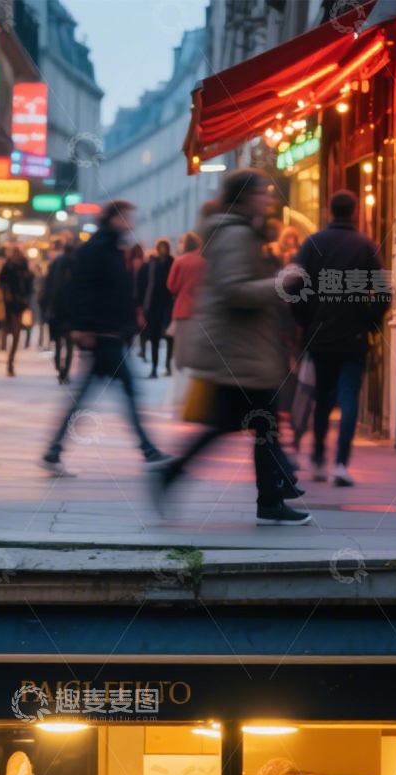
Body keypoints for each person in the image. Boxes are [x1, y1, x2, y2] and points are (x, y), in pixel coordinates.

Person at [150, 170, 311, 527]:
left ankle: (268, 501)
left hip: (242, 351)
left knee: (248, 425)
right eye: (262, 192)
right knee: (248, 425)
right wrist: (281, 282)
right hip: (238, 353)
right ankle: (265, 502)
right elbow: (234, 290)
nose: (268, 199)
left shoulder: (235, 232)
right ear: (245, 197)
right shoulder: (235, 234)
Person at [40, 200, 163, 477]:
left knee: (88, 396)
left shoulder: (112, 249)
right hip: (102, 334)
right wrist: (83, 327)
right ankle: (148, 450)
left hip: (109, 333)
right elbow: (81, 290)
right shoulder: (97, 250)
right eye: (128, 217)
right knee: (128, 393)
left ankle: (54, 449)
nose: (132, 222)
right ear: (115, 219)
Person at [291, 190, 390, 486]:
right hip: (354, 338)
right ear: (355, 211)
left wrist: (306, 321)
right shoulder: (365, 246)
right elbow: (384, 293)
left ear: (328, 210)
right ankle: (341, 464)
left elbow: (294, 286)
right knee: (349, 399)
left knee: (322, 398)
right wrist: (369, 322)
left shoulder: (313, 244)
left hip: (320, 337)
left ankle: (318, 458)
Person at [166, 231, 205, 374]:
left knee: (181, 351)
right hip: (201, 310)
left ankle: (182, 378)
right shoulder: (204, 261)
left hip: (183, 309)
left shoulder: (179, 261)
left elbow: (172, 286)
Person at [41, 235, 77, 384]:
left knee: (57, 342)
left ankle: (59, 368)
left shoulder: (56, 265)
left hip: (57, 310)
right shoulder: (76, 266)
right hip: (71, 312)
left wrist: (47, 306)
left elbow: (48, 287)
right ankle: (65, 370)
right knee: (68, 344)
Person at [143, 238, 175, 377]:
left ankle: (168, 366)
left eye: (164, 247)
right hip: (155, 303)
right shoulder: (152, 262)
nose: (162, 250)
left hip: (168, 303)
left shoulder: (172, 261)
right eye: (160, 247)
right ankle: (154, 368)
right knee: (154, 336)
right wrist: (146, 303)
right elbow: (148, 283)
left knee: (169, 337)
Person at [0, 246, 32, 377]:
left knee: (16, 333)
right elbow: (2, 281)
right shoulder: (8, 267)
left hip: (20, 304)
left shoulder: (24, 268)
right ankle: (10, 359)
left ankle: (11, 359)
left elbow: (29, 285)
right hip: (10, 304)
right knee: (11, 331)